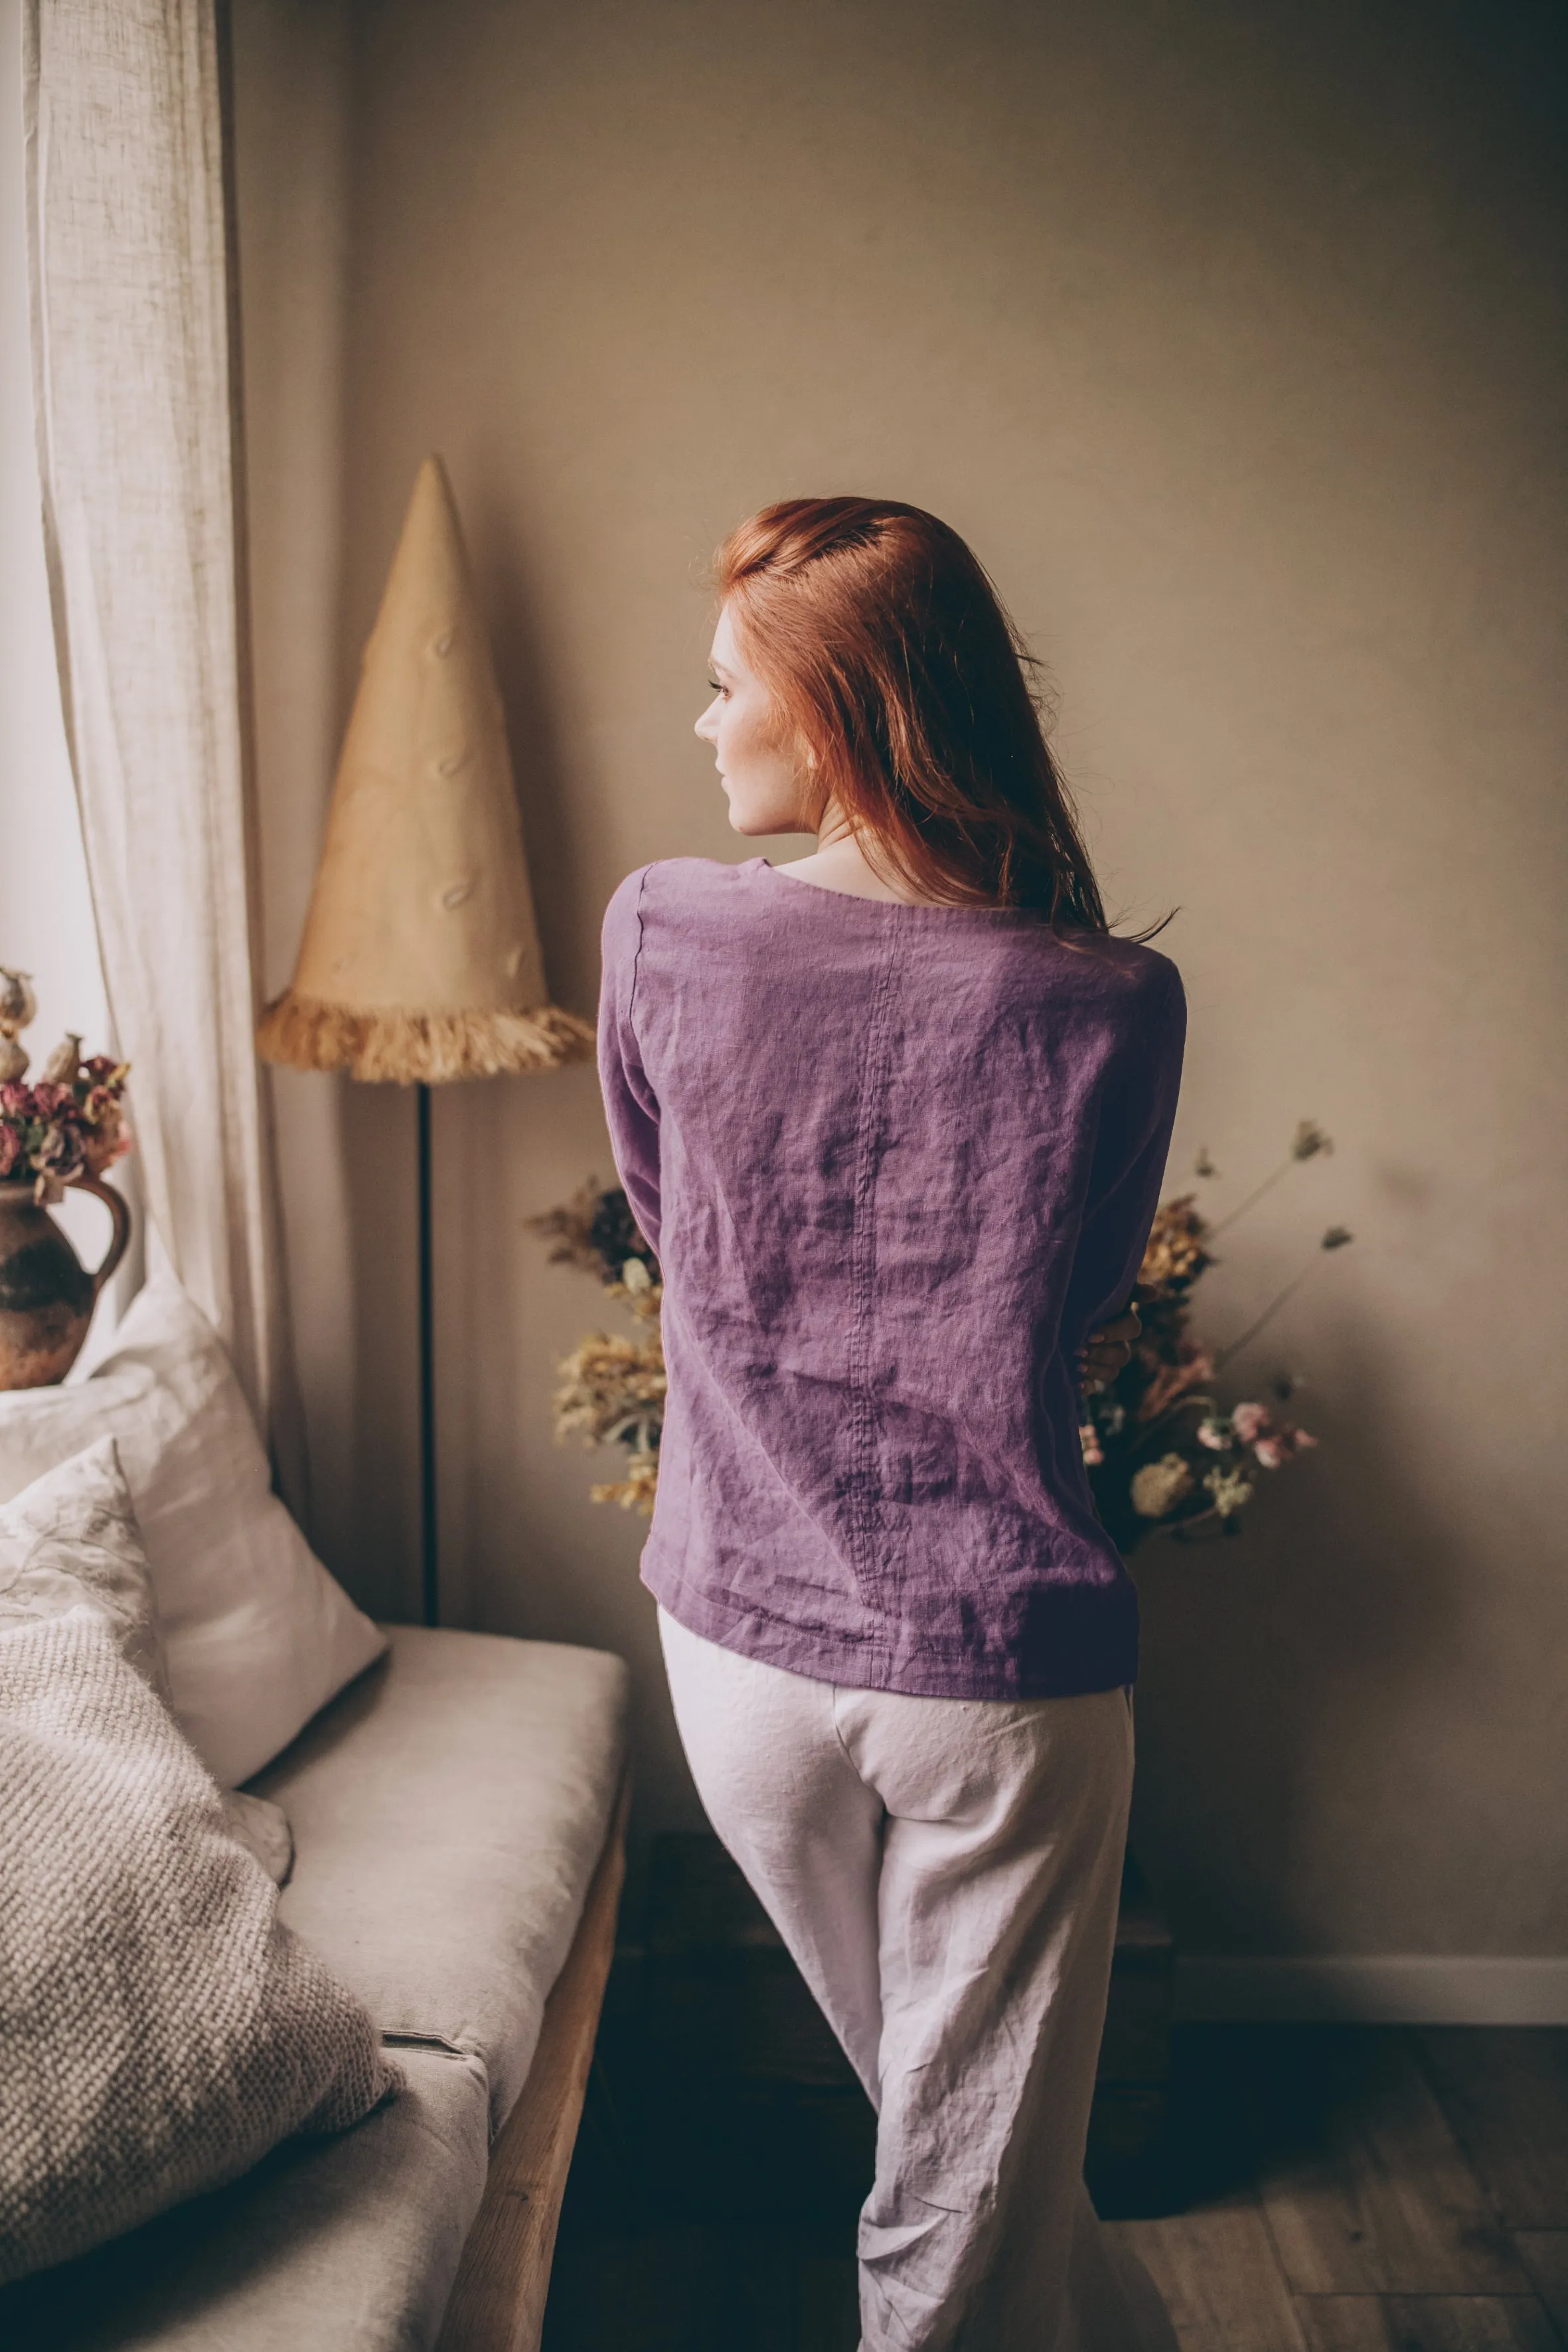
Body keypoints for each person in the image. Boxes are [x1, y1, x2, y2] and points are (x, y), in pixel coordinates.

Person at [597, 497, 1184, 2351]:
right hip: (996, 1673)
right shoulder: (1112, 999)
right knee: (963, 2201)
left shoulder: (663, 929)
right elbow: (1081, 1291)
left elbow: (659, 1211)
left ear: (833, 712)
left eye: (722, 690)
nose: (702, 727)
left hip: (736, 1652)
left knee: (963, 2167)